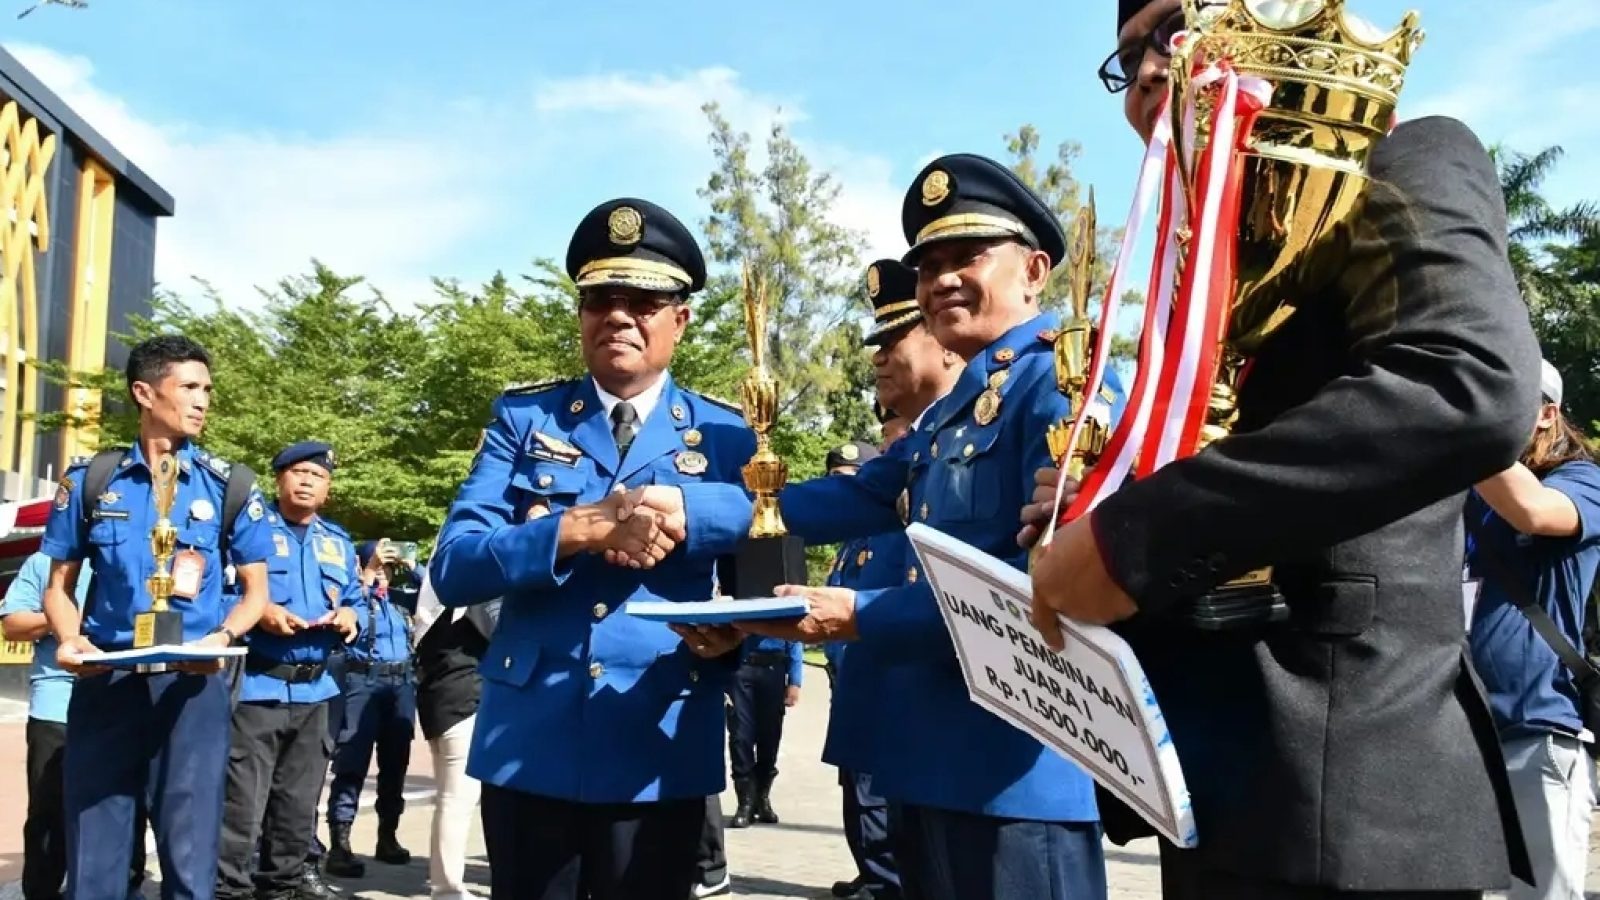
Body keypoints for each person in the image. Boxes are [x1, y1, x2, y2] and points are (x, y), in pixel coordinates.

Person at [1018, 2, 1544, 897]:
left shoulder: (1397, 157)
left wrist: (1130, 540)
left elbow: (1469, 383)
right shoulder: (1195, 263)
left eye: (1176, 28)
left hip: (1352, 798)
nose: (1149, 71)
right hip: (1215, 789)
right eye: (1127, 59)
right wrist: (1101, 501)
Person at [710, 155, 1125, 900]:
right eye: (929, 266)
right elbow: (857, 497)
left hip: (1014, 769)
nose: (942, 281)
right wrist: (690, 511)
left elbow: (1055, 584)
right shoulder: (956, 406)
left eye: (968, 256)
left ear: (1034, 271)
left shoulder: (1064, 384)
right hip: (929, 761)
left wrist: (860, 614)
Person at [427, 196, 758, 900]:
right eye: (600, 300)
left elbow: (761, 579)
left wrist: (733, 639)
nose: (618, 316)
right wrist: (575, 530)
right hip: (532, 744)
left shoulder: (728, 435)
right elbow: (455, 565)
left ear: (680, 320)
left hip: (660, 738)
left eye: (643, 302)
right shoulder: (525, 419)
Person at [41, 334, 275, 900]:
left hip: (190, 689)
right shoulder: (91, 481)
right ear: (144, 393)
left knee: (190, 860)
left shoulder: (230, 485)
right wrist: (71, 639)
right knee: (94, 862)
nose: (202, 400)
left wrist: (221, 638)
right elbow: (58, 587)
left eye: (207, 390)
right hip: (108, 680)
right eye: (189, 387)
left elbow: (256, 594)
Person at [1467, 359, 1600, 900]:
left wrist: (1459, 422)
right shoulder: (1467, 497)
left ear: (1547, 414)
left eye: (1502, 398)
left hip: (1537, 727)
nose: (1487, 410)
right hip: (1460, 737)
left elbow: (1535, 512)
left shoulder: (1583, 480)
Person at [215, 442, 364, 900]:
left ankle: (280, 889)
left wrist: (351, 617)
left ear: (328, 489)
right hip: (258, 688)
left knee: (297, 810)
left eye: (317, 476)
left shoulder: (337, 541)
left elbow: (356, 600)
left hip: (317, 693)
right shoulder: (249, 533)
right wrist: (260, 613)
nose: (306, 481)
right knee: (242, 808)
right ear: (279, 479)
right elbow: (216, 595)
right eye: (297, 472)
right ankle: (229, 892)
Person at [2, 552, 149, 900]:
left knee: (125, 802)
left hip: (122, 698)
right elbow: (13, 624)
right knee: (49, 808)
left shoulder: (133, 552)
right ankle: (42, 890)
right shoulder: (45, 562)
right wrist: (62, 617)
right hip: (57, 703)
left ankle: (126, 887)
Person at [324, 539, 419, 878]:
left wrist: (412, 565)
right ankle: (340, 845)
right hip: (362, 681)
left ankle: (387, 836)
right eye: (378, 567)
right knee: (351, 761)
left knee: (396, 764)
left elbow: (435, 595)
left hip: (401, 684)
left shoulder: (399, 601)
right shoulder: (355, 600)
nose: (383, 574)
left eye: (388, 569)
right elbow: (349, 615)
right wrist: (367, 572)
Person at [413, 565, 498, 900]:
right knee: (457, 799)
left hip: (444, 699)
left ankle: (445, 885)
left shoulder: (437, 605)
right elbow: (498, 630)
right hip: (463, 699)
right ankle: (447, 889)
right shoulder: (472, 598)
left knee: (452, 798)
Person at [725, 626, 802, 829]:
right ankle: (745, 803)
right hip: (740, 668)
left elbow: (795, 634)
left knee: (770, 737)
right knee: (740, 736)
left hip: (773, 670)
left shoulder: (780, 604)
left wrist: (795, 680)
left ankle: (762, 798)